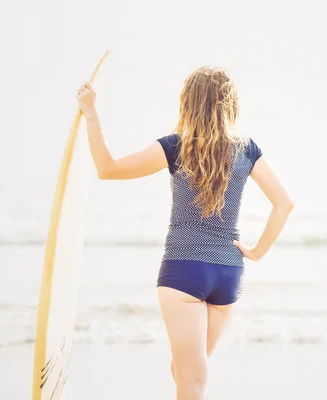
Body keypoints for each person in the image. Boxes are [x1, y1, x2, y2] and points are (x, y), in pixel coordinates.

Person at [76, 65, 294, 400]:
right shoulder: (247, 150)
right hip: (228, 274)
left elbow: (108, 169)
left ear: (187, 103)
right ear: (230, 104)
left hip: (184, 272)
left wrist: (91, 116)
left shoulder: (176, 146)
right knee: (185, 372)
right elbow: (284, 203)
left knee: (190, 377)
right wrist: (258, 251)